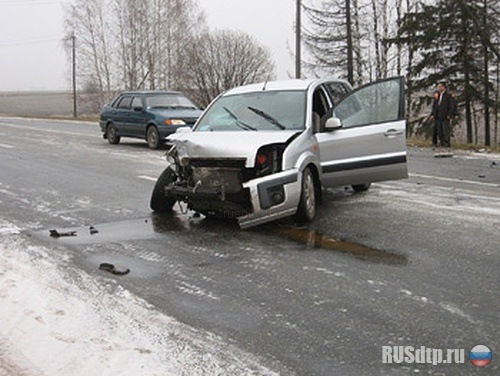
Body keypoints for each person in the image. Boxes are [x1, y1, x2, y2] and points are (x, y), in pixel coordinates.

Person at [430, 82, 454, 147]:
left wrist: (450, 114)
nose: (439, 88)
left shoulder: (448, 95)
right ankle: (441, 142)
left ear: (444, 87)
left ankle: (447, 143)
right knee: (439, 130)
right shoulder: (437, 95)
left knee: (445, 130)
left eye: (440, 86)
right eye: (438, 87)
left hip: (445, 115)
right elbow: (434, 105)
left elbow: (451, 105)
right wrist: (432, 114)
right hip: (438, 115)